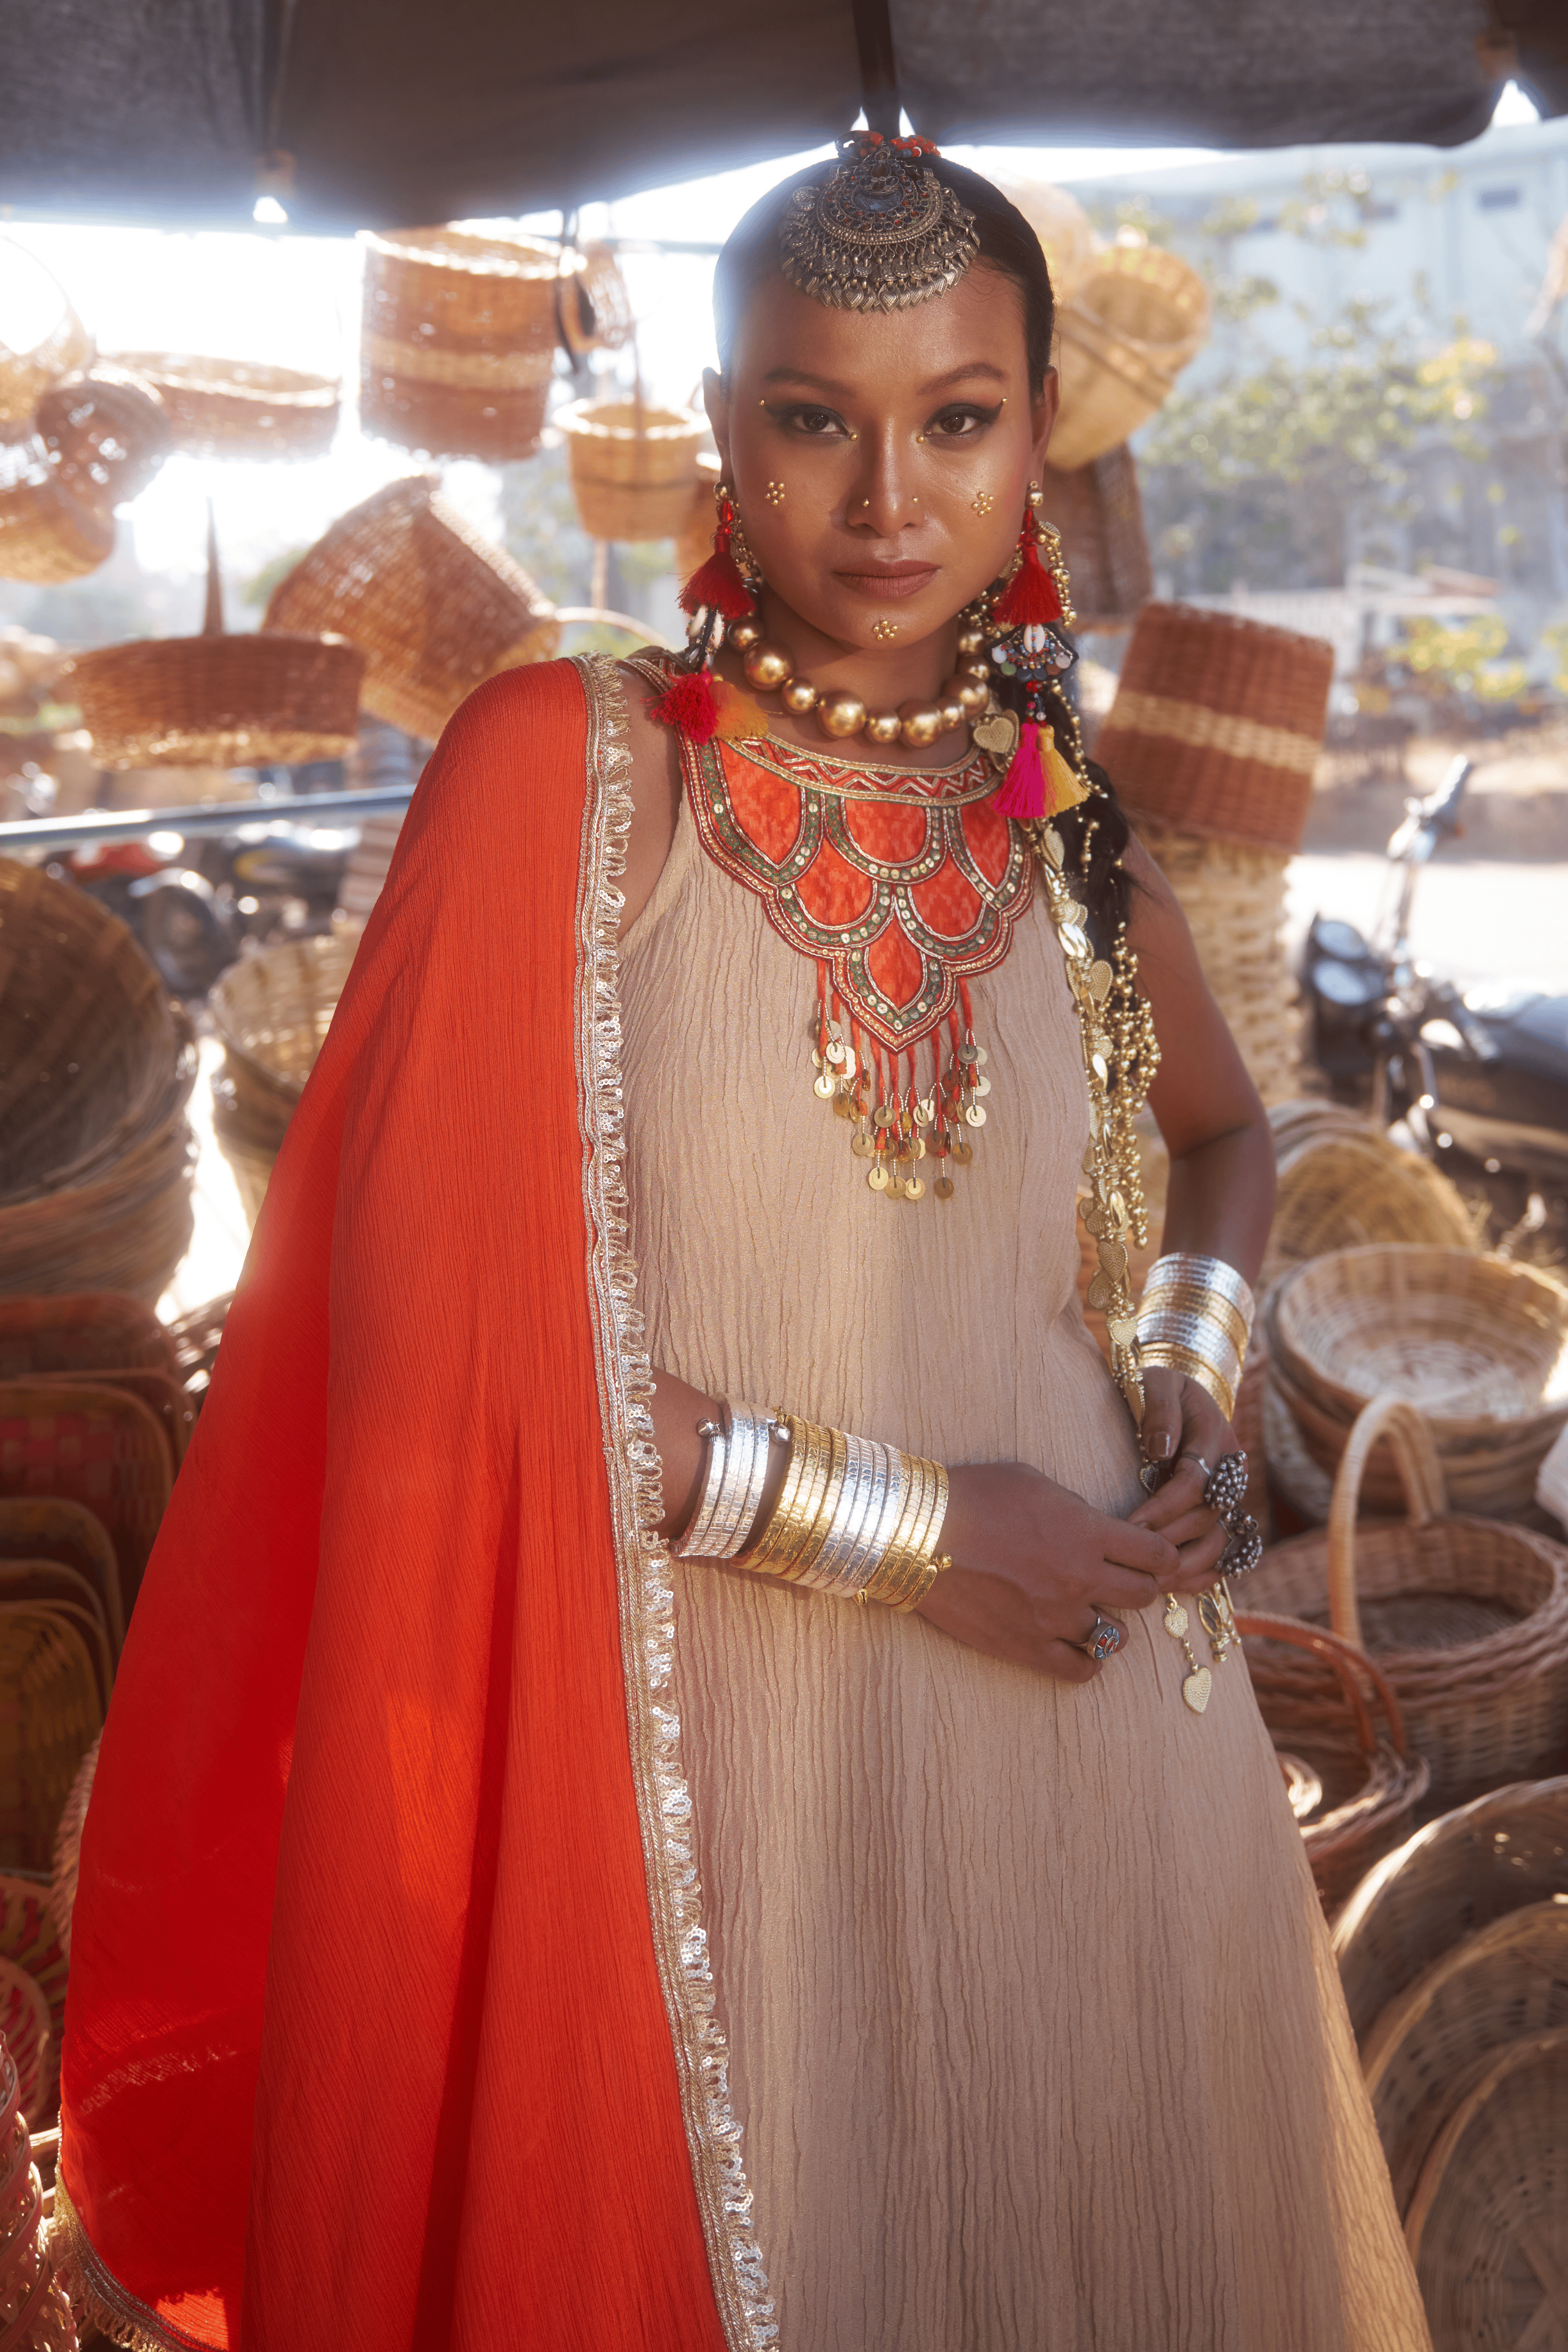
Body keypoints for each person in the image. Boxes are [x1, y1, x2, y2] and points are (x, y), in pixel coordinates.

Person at [58, 139, 1430, 2351]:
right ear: (721, 429)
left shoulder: (1053, 823)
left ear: (1040, 440)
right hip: (727, 1781)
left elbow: (1229, 1125)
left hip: (1115, 1762)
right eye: (816, 416)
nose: (889, 497)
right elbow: (449, 1363)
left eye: (958, 420)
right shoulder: (570, 776)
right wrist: (910, 1529)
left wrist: (1184, 1348)